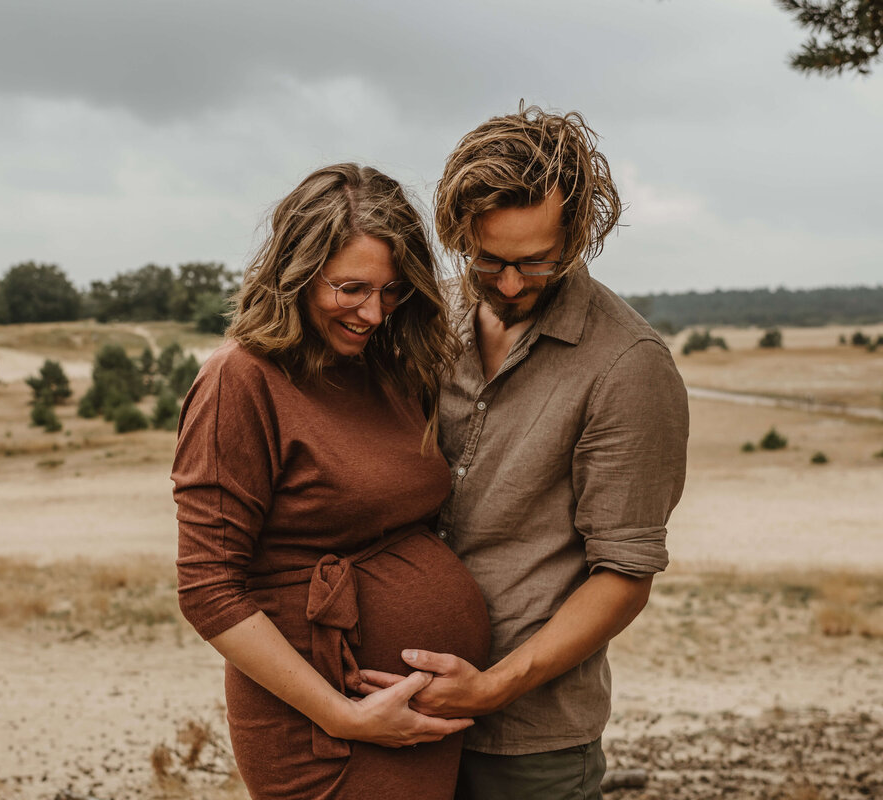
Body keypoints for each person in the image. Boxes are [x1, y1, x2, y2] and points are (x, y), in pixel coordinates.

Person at [359, 106, 689, 798]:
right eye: (489, 261)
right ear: (456, 234)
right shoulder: (419, 321)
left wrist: (490, 688)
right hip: (387, 717)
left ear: (579, 235)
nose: (510, 284)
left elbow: (624, 574)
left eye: (537, 262)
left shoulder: (628, 365)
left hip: (529, 745)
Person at [172, 163, 490, 800]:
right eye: (351, 289)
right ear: (296, 273)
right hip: (326, 728)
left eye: (393, 290)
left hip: (404, 718)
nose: (373, 312)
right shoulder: (240, 380)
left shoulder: (385, 369)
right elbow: (208, 588)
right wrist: (344, 715)